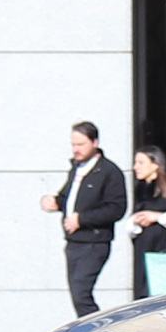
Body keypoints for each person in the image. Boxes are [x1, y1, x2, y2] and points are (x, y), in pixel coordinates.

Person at [42, 122, 127, 315]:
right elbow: (68, 198)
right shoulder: (77, 169)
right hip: (74, 242)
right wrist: (54, 202)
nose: (76, 150)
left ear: (94, 142)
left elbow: (117, 208)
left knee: (81, 293)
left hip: (94, 242)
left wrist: (82, 220)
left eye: (81, 144)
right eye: (73, 145)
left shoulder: (108, 172)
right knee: (77, 294)